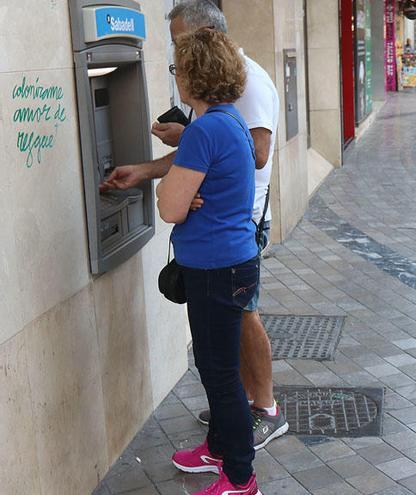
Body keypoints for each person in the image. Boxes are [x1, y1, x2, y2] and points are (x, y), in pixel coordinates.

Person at [101, 0, 286, 449]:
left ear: (206, 38)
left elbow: (254, 152)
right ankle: (234, 413)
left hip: (236, 224)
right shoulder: (219, 100)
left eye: (180, 45)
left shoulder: (249, 86)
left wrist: (192, 140)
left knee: (240, 322)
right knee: (226, 338)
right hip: (221, 228)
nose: (176, 60)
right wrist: (149, 169)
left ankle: (263, 411)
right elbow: (211, 153)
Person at [153, 27, 260, 495]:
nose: (176, 77)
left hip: (215, 270)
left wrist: (169, 188)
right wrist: (188, 188)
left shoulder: (204, 130)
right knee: (219, 366)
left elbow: (170, 208)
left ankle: (239, 476)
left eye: (177, 69)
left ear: (190, 76)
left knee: (219, 373)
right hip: (233, 262)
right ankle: (217, 449)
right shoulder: (228, 120)